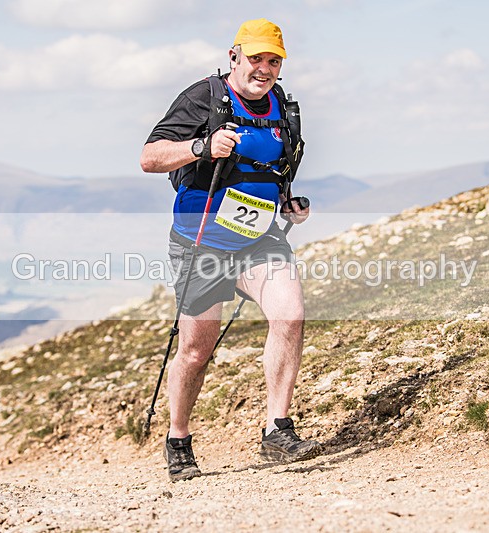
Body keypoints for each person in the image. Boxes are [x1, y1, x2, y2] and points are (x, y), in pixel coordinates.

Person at [140, 18, 321, 482]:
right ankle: (178, 438)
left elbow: (273, 167)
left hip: (260, 237)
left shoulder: (281, 104)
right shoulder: (204, 98)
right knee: (196, 351)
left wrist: (288, 203)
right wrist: (202, 145)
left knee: (290, 315)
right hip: (202, 241)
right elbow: (149, 157)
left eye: (274, 61)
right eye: (256, 58)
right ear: (234, 55)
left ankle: (276, 430)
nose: (264, 69)